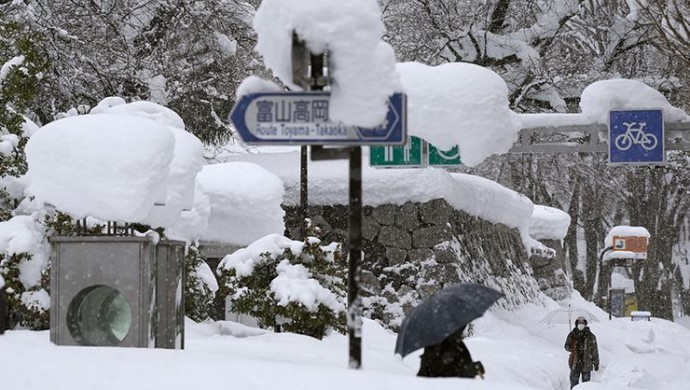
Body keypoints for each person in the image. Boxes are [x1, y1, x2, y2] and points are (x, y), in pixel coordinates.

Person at [417, 325, 485, 378]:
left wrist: (474, 369)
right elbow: (424, 377)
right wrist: (442, 362)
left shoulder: (459, 345)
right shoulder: (433, 346)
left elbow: (466, 369)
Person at [564, 316, 599, 388]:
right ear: (576, 324)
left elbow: (594, 351)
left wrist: (596, 363)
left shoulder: (591, 336)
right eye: (579, 323)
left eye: (582, 323)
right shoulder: (572, 335)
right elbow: (566, 346)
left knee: (586, 385)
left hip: (587, 363)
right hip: (575, 362)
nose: (580, 324)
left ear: (585, 324)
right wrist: (572, 347)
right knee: (574, 383)